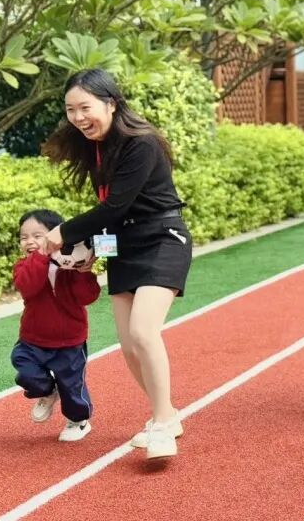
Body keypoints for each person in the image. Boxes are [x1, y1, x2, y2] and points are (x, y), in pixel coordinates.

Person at [43, 68, 193, 459]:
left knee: (143, 332)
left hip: (162, 239)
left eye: (85, 107)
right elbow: (113, 213)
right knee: (128, 346)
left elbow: (114, 206)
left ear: (111, 103)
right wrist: (93, 249)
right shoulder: (98, 148)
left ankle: (163, 422)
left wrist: (64, 232)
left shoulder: (141, 144)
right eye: (70, 110)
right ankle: (167, 414)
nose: (78, 117)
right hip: (124, 246)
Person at [12, 209, 101, 442]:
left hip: (70, 341)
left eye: (37, 236)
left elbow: (87, 297)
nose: (30, 241)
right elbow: (28, 286)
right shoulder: (23, 266)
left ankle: (78, 421)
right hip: (33, 338)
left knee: (72, 385)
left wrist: (83, 273)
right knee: (24, 368)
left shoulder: (72, 266)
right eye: (24, 237)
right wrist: (42, 255)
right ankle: (48, 391)